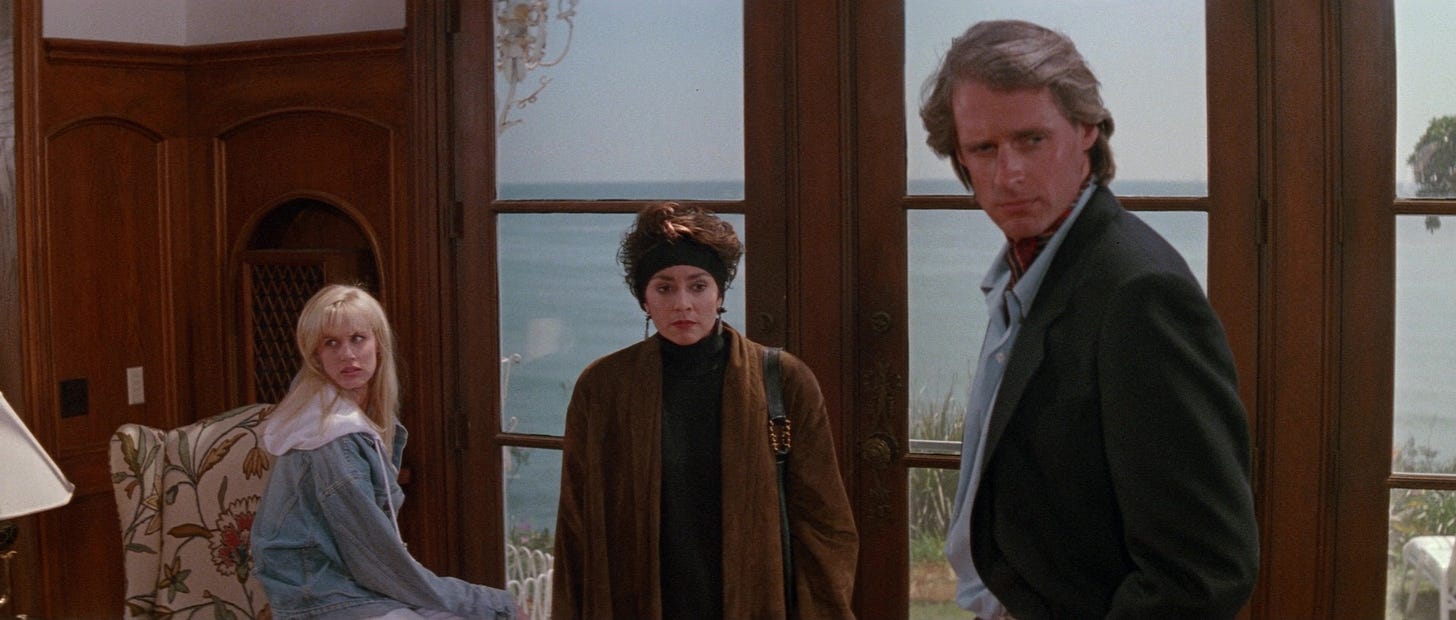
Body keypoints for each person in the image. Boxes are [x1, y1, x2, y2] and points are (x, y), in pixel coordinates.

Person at [919, 19, 1260, 619]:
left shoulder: (1139, 293)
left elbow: (1203, 573)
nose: (1008, 174)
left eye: (1031, 139)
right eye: (983, 149)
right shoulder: (1030, 269)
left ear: (1087, 130)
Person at [551, 202, 859, 619]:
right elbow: (575, 528)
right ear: (644, 299)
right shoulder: (603, 388)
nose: (683, 304)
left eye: (698, 286)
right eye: (664, 288)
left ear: (720, 293)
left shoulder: (784, 379)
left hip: (752, 603)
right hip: (641, 601)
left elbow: (825, 525)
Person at [251, 284, 517, 620]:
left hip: (350, 585)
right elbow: (378, 564)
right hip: (321, 595)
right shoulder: (333, 437)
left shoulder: (340, 408)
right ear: (315, 355)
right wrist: (494, 603)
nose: (347, 355)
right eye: (331, 343)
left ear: (378, 344)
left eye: (357, 338)